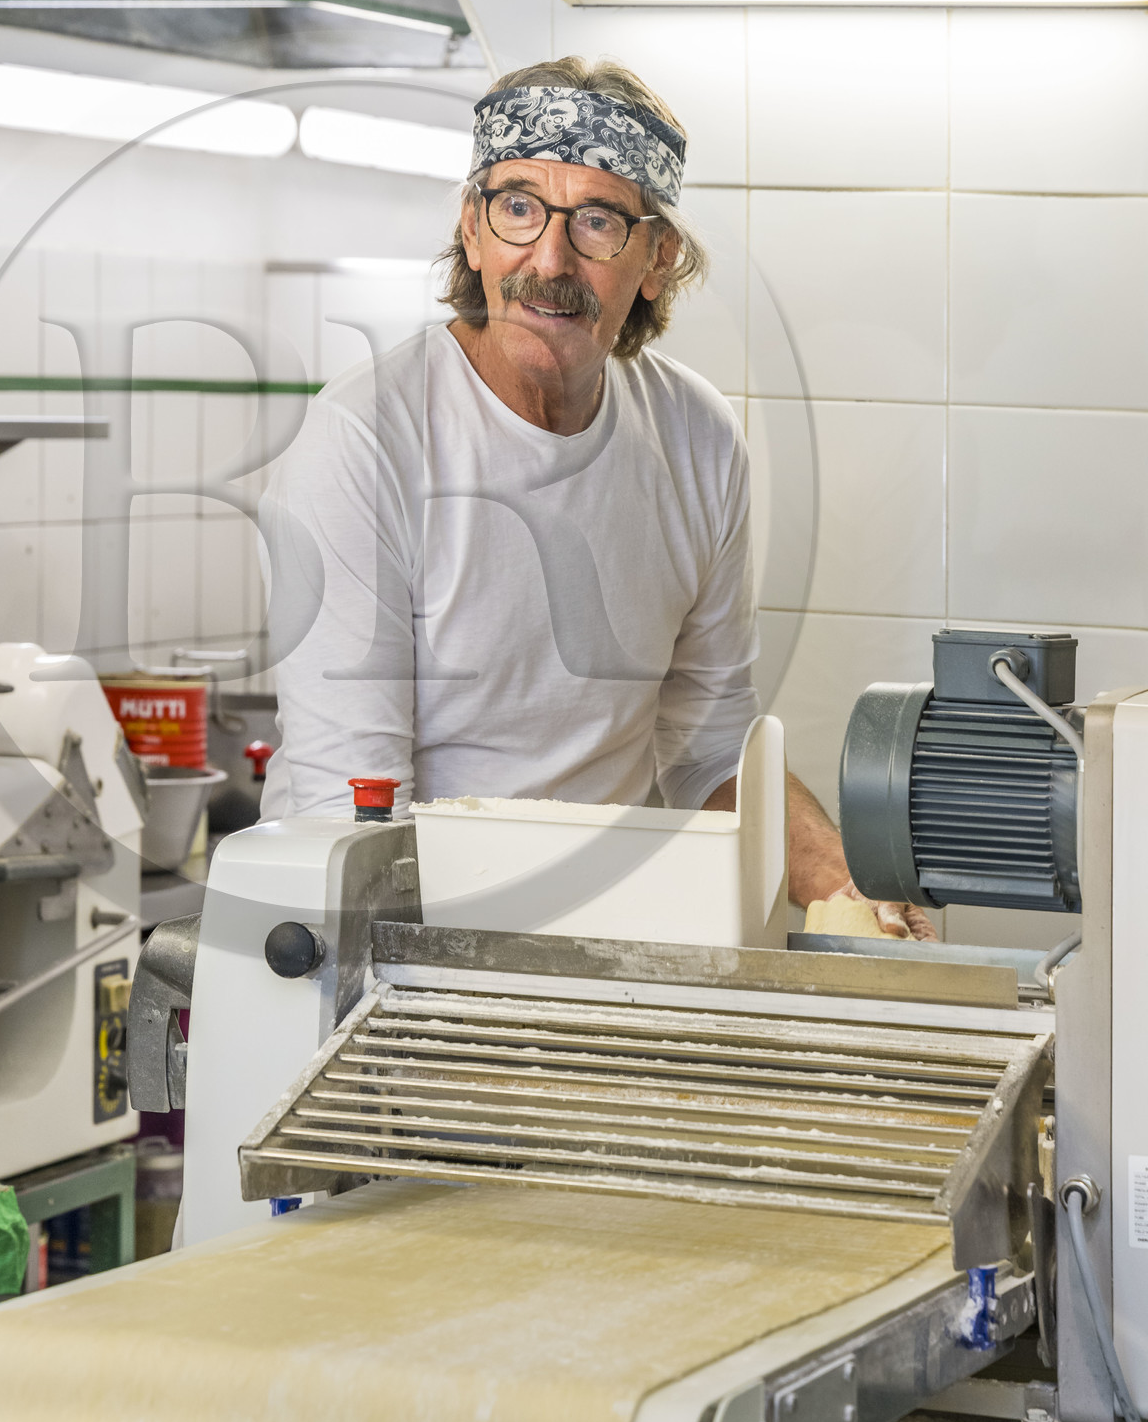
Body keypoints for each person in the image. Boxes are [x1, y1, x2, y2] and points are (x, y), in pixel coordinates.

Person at [259, 55, 936, 940]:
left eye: (598, 223)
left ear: (659, 258)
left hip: (597, 950)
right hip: (376, 952)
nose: (549, 259)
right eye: (517, 208)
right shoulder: (366, 440)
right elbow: (349, 807)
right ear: (471, 230)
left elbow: (706, 744)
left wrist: (853, 886)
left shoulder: (694, 436)